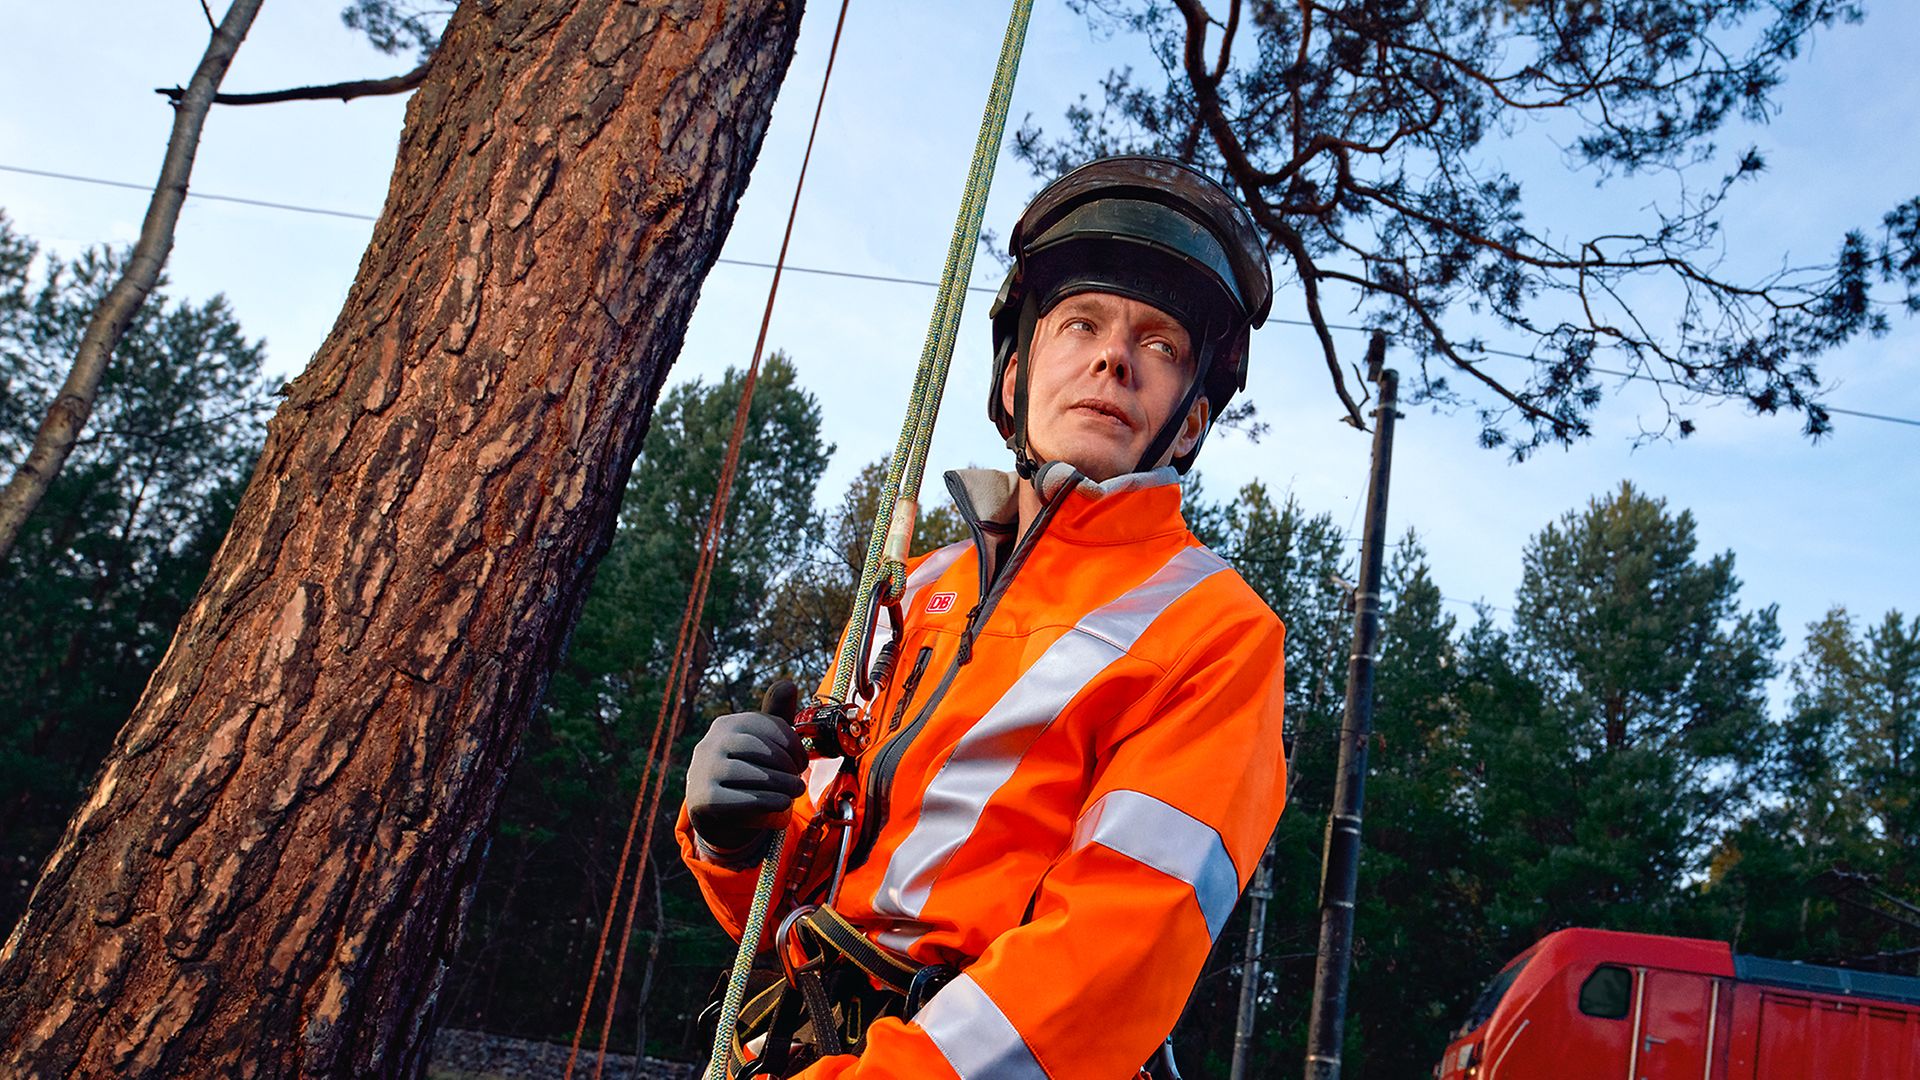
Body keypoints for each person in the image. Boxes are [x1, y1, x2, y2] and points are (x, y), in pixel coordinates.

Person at [678, 155, 1288, 1079]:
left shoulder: (1218, 631)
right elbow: (787, 898)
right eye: (1081, 323)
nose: (1115, 356)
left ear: (1191, 421)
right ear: (1013, 379)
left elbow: (1112, 958)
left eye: (1159, 345)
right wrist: (728, 838)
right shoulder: (915, 587)